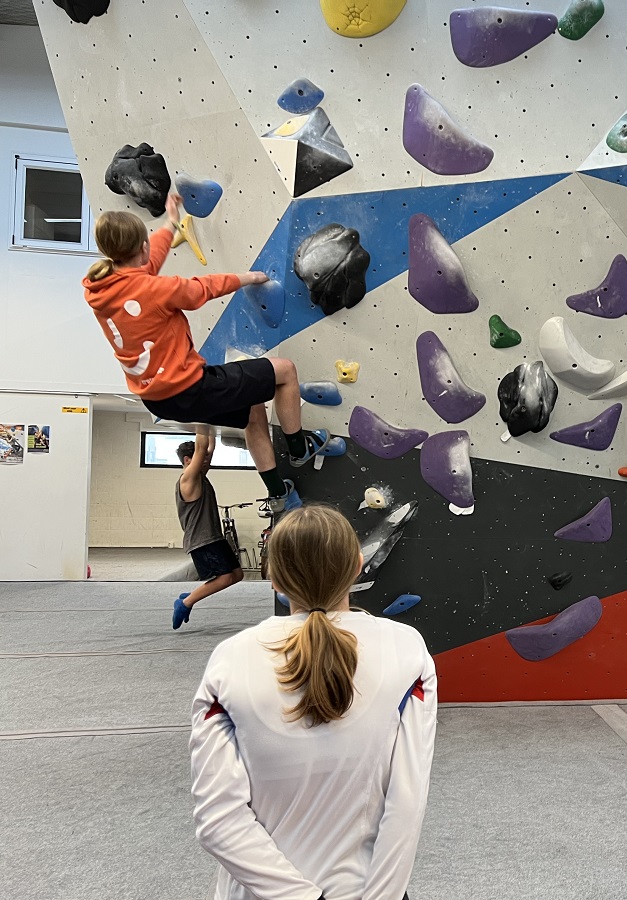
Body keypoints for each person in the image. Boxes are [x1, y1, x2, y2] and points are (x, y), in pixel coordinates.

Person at [190, 504, 436, 900]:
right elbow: (407, 798)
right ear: (358, 566)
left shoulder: (230, 659)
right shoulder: (405, 649)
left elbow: (218, 820)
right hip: (366, 890)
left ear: (273, 576)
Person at [83, 193, 330, 513]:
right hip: (190, 387)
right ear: (141, 247)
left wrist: (171, 223)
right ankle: (299, 448)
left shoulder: (100, 288)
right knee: (285, 371)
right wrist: (249, 278)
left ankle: (278, 493)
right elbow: (202, 288)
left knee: (253, 409)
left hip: (158, 398)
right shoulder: (153, 289)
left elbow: (147, 266)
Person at [172, 431, 246, 630]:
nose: (208, 461)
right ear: (188, 460)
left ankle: (191, 596)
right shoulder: (188, 479)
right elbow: (203, 447)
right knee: (225, 577)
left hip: (214, 537)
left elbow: (209, 448)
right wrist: (201, 419)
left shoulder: (200, 476)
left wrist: (212, 422)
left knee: (237, 574)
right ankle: (186, 603)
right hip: (202, 540)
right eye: (202, 459)